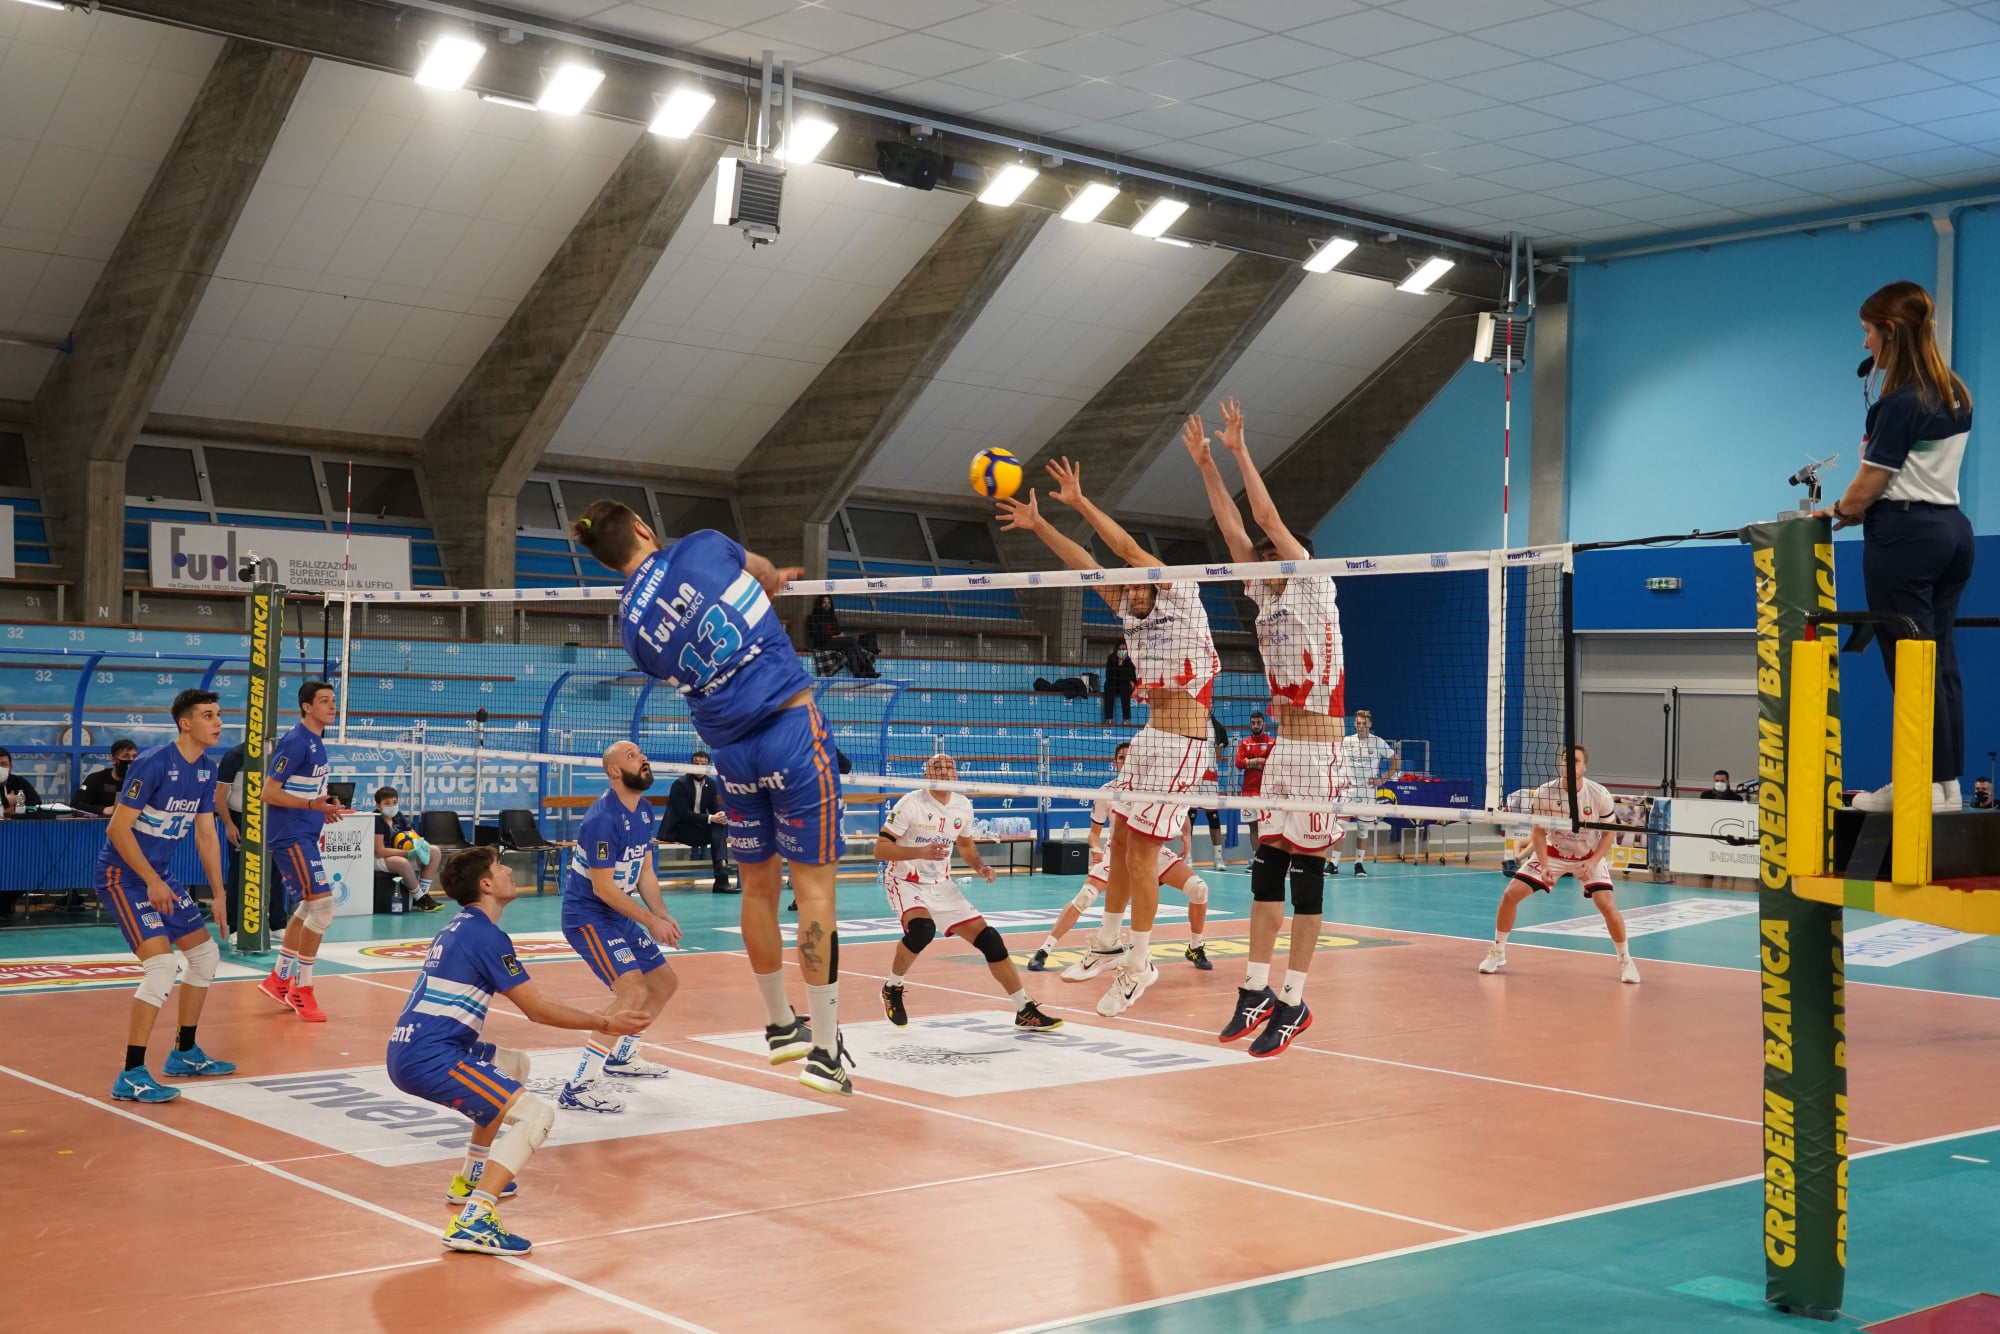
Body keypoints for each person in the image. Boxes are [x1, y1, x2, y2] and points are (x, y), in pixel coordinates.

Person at [573, 500, 850, 1095]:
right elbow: (766, 575)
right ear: (644, 528)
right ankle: (826, 1048)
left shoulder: (631, 631)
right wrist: (772, 582)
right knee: (816, 889)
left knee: (757, 886)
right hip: (790, 730)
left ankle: (779, 1023)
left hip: (731, 756)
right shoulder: (701, 544)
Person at [999, 457, 1219, 1018]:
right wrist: (1041, 525)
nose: (1123, 589)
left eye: (1129, 581)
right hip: (1150, 737)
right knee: (1121, 844)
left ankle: (1139, 962)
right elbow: (1086, 564)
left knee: (1143, 854)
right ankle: (1110, 940)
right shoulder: (1129, 608)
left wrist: (1077, 502)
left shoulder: (1176, 590)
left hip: (1183, 743)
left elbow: (1119, 548)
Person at [387, 846, 652, 1256]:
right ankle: (475, 1219)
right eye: (500, 867)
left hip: (425, 1046)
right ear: (486, 885)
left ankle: (473, 1175)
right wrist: (604, 1022)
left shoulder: (461, 927)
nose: (510, 870)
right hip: (431, 1055)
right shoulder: (486, 935)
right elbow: (537, 1009)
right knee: (538, 1115)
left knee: (515, 1064)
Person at [1185, 399, 1343, 1057]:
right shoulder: (1263, 596)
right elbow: (1233, 530)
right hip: (1282, 754)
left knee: (1307, 877)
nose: (1265, 555)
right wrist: (1204, 467)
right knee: (1264, 873)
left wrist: (1239, 450)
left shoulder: (1311, 582)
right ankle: (1254, 988)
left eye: (1273, 551)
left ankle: (1295, 1001)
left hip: (1318, 754)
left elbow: (1264, 518)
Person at [1817, 280, 1973, 813]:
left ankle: (1919, 784)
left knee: (1908, 658)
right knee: (1939, 659)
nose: (1864, 345)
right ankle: (1946, 785)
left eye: (1867, 332)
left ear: (1889, 332)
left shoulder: (1898, 403)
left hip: (1905, 538)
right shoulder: (1953, 392)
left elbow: (1869, 485)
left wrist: (1837, 513)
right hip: (1953, 532)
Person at [94, 689, 234, 1101]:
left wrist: (220, 893)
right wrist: (151, 881)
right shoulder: (152, 764)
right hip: (124, 876)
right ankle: (132, 1073)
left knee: (205, 955)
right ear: (185, 723)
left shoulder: (206, 770)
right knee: (160, 966)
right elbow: (117, 829)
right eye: (209, 715)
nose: (218, 722)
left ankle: (184, 1052)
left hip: (162, 877)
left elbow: (207, 835)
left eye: (219, 715)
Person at [874, 753, 1062, 1032]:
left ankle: (1024, 1010)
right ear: (928, 774)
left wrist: (981, 867)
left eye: (949, 766)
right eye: (937, 766)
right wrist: (919, 852)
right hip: (905, 881)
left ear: (956, 774)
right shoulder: (911, 803)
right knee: (922, 929)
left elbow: (965, 844)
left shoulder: (962, 805)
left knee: (991, 941)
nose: (944, 770)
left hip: (942, 885)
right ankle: (892, 986)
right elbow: (880, 849)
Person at [555, 741, 683, 1113]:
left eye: (643, 754)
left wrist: (661, 913)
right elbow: (603, 887)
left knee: (664, 983)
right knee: (631, 989)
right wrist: (649, 921)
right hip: (589, 916)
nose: (643, 758)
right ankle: (579, 1085)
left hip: (619, 915)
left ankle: (622, 1056)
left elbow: (644, 871)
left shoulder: (643, 811)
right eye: (632, 756)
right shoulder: (601, 819)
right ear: (613, 770)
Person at [1027, 740, 1213, 973]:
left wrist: (1187, 834)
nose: (1125, 762)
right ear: (1115, 763)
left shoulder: (1152, 787)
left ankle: (1195, 947)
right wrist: (1095, 849)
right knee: (1085, 897)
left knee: (1199, 889)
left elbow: (1179, 808)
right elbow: (1094, 834)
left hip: (1152, 852)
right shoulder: (1107, 792)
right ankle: (1045, 949)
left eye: (1129, 757)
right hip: (1116, 854)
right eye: (1121, 758)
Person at [1479, 745, 1638, 984]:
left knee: (1606, 905)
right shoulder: (1545, 792)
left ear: (1584, 766)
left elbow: (1608, 835)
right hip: (1553, 854)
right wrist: (1543, 865)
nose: (1569, 764)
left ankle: (1626, 960)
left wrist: (1593, 862)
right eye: (1565, 760)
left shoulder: (1599, 794)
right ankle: (1498, 951)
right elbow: (1538, 832)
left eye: (1575, 760)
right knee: (1510, 894)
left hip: (1588, 856)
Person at [255, 681, 350, 1022]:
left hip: (305, 832)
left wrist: (322, 809)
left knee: (310, 906)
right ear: (307, 706)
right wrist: (311, 805)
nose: (331, 706)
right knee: (323, 908)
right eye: (324, 701)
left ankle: (280, 977)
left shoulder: (317, 741)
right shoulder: (296, 741)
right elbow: (268, 792)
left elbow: (308, 791)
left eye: (333, 700)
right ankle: (302, 988)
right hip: (289, 834)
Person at [1334, 710, 1394, 877]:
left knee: (1362, 828)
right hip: (1349, 791)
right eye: (1358, 723)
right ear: (1354, 724)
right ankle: (1333, 863)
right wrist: (1340, 778)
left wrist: (1382, 780)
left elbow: (1396, 761)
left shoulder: (1378, 742)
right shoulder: (1346, 741)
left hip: (1368, 792)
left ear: (1370, 724)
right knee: (1340, 826)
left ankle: (1359, 864)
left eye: (1364, 723)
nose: (1361, 726)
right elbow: (1336, 760)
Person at [665, 748, 733, 893]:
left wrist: (721, 816)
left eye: (703, 763)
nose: (700, 766)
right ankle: (722, 868)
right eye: (696, 763)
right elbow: (684, 815)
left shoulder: (711, 783)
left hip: (699, 828)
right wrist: (710, 818)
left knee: (720, 826)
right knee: (715, 825)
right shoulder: (680, 784)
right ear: (690, 765)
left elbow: (714, 809)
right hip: (681, 830)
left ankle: (721, 878)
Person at [373, 786, 441, 911]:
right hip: (380, 858)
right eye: (387, 803)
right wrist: (408, 853)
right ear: (379, 805)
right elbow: (379, 851)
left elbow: (414, 836)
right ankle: (419, 897)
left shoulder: (398, 816)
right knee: (402, 863)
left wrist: (421, 847)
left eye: (394, 802)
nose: (392, 806)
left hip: (400, 853)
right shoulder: (376, 820)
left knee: (434, 851)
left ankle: (422, 896)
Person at [805, 594, 879, 679]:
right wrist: (832, 637)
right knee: (851, 640)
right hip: (823, 643)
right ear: (819, 603)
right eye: (824, 602)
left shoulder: (832, 617)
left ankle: (858, 675)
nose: (827, 605)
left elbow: (838, 630)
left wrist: (840, 635)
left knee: (849, 649)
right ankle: (866, 668)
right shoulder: (813, 618)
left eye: (828, 602)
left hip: (834, 642)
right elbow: (815, 635)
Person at [1234, 712, 1274, 848]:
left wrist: (1249, 762)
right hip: (1247, 791)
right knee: (1253, 827)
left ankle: (1266, 860)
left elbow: (1270, 764)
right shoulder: (1245, 743)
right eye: (1253, 723)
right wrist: (1258, 761)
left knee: (1266, 827)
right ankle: (1257, 859)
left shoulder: (1271, 742)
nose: (1255, 726)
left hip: (1265, 791)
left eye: (1258, 723)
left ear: (1264, 723)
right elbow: (1239, 763)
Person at [72, 738, 138, 815]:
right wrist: (103, 810)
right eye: (126, 756)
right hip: (98, 824)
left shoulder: (136, 782)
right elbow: (76, 804)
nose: (131, 760)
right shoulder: (96, 779)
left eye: (134, 756)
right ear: (114, 760)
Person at [0, 747, 41, 817]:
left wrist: (16, 808)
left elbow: (37, 804)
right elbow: (7, 802)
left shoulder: (19, 782)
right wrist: (6, 802)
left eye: (4, 764)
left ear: (10, 767)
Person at [1102, 644, 1136, 723]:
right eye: (1120, 649)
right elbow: (1110, 675)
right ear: (1116, 650)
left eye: (1124, 649)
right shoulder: (1111, 659)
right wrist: (1120, 663)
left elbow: (1130, 676)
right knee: (1109, 685)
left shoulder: (1130, 661)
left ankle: (1126, 719)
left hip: (1124, 685)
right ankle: (1109, 718)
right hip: (1113, 684)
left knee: (1124, 687)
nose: (1122, 651)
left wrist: (1133, 682)